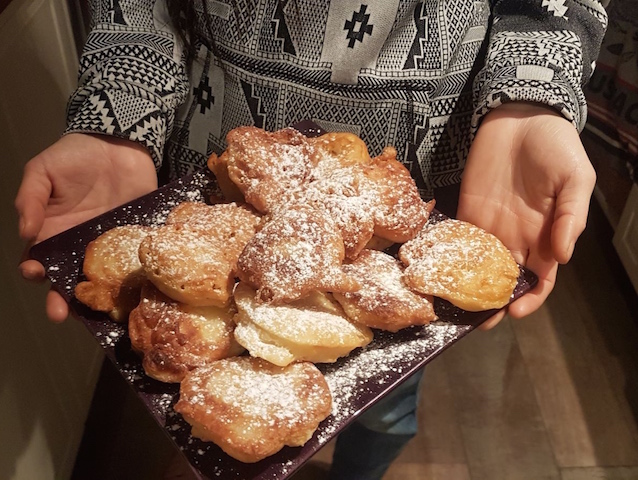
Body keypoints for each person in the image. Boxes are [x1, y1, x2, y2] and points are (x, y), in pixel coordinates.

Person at [15, 1, 608, 478]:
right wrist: (121, 110)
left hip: (418, 192)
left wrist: (533, 98)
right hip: (217, 167)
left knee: (386, 406)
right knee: (207, 409)